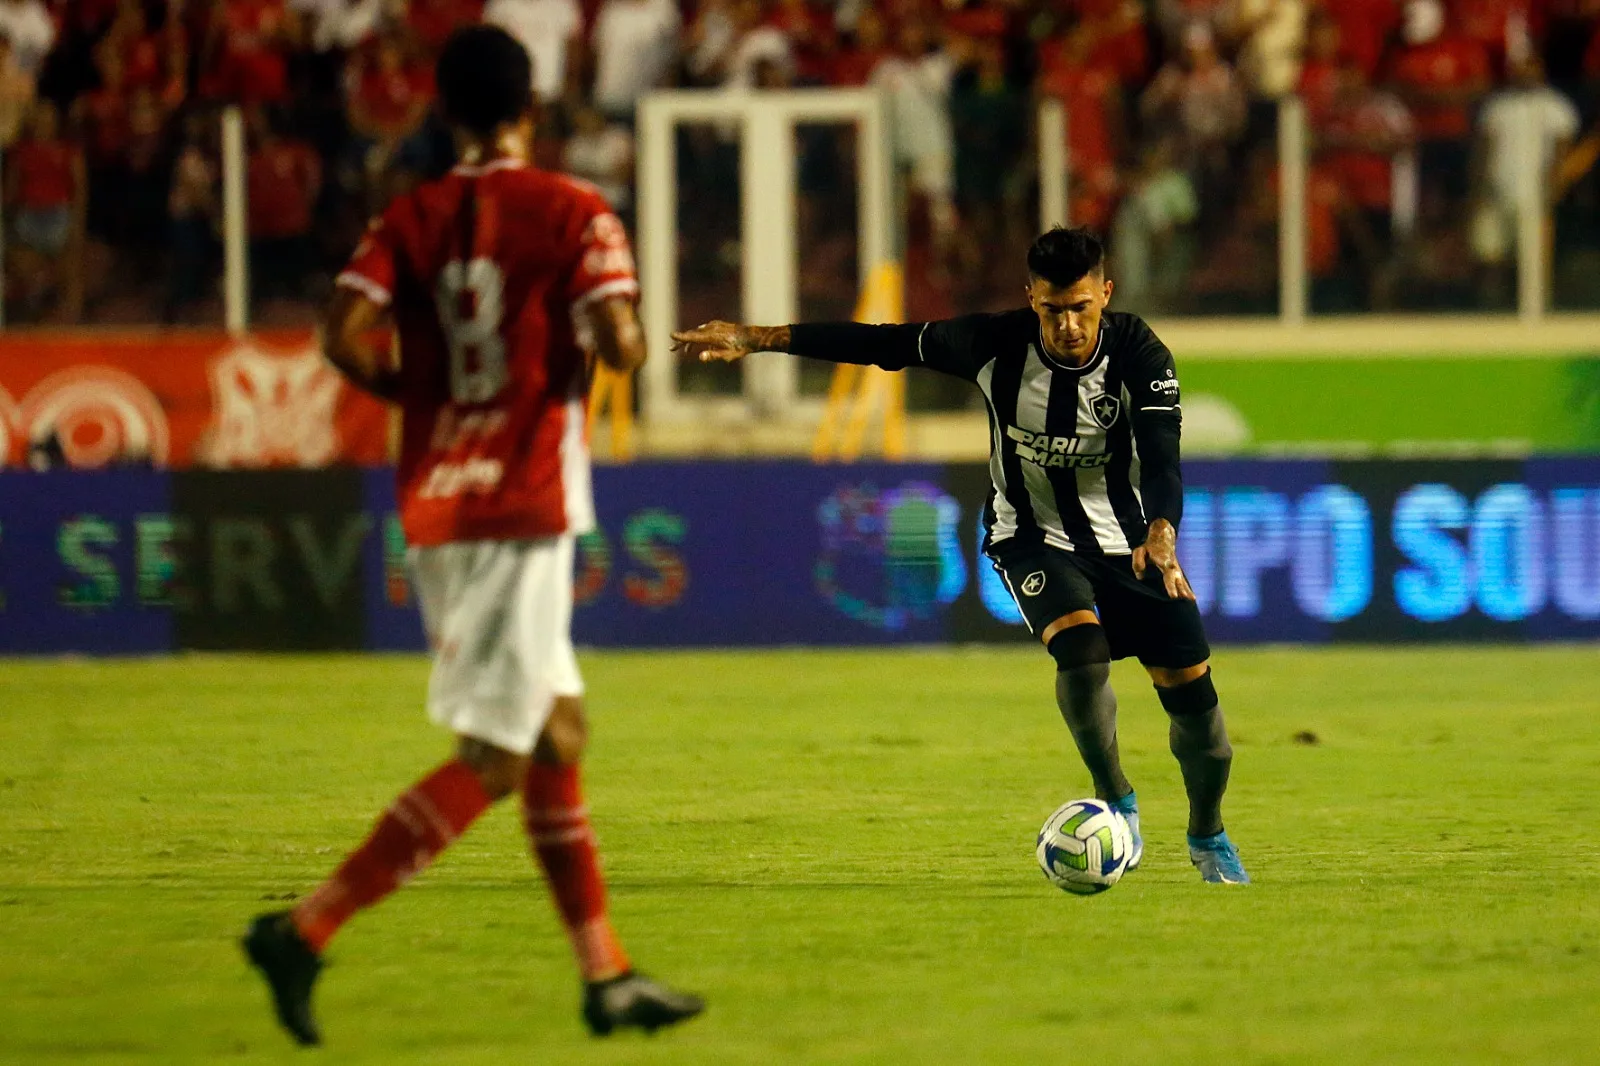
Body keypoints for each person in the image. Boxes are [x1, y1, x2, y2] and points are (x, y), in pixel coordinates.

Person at [240, 25, 704, 1046]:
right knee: (496, 754)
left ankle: (606, 975)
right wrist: (609, 336)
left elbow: (337, 335)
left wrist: (423, 392)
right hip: (524, 498)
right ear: (529, 107)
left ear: (443, 113)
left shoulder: (407, 215)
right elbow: (620, 345)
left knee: (558, 733)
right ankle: (306, 928)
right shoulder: (578, 212)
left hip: (440, 496)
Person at [672, 227, 1250, 886]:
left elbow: (1162, 448)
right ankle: (1116, 799)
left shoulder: (1140, 353)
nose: (1066, 325)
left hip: (1135, 545)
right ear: (1030, 297)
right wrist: (759, 337)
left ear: (1106, 295)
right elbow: (884, 344)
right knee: (1081, 653)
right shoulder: (993, 343)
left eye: (1081, 308)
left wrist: (1162, 531)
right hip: (1029, 534)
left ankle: (1208, 832)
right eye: (1052, 309)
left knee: (1203, 724)